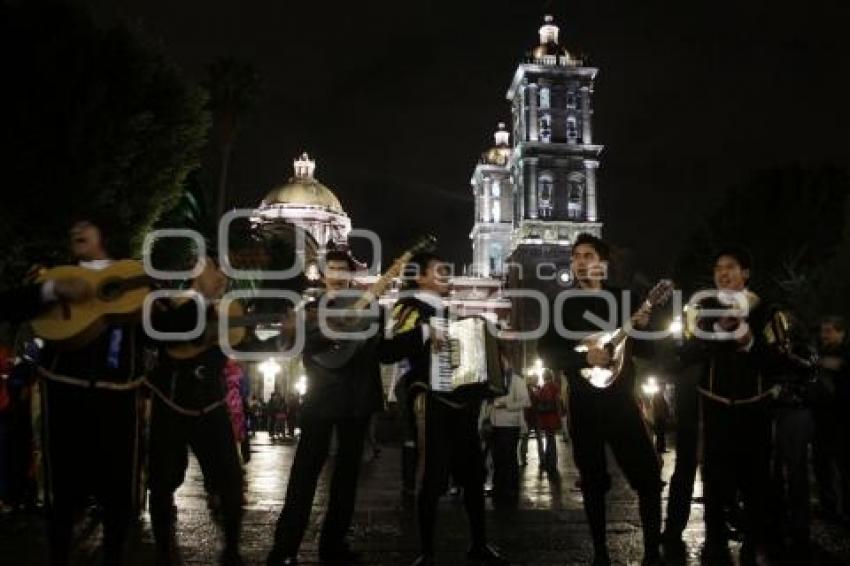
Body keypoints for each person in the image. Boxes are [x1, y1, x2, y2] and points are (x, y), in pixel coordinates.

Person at [266, 250, 424, 566]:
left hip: (359, 399)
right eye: (331, 268)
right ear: (322, 274)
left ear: (351, 274)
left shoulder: (374, 310)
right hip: (321, 399)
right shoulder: (310, 310)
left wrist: (420, 335)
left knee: (347, 478)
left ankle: (334, 545)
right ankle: (285, 548)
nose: (337, 273)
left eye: (343, 268)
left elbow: (383, 352)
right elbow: (306, 344)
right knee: (304, 474)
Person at [537, 233, 662, 566]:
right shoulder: (561, 303)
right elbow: (547, 352)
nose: (581, 261)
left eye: (588, 255)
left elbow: (648, 351)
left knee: (648, 477)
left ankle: (653, 553)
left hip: (622, 402)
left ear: (603, 263)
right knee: (592, 482)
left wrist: (645, 328)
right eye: (576, 256)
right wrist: (583, 360)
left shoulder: (627, 299)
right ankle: (600, 554)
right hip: (583, 403)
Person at [36, 217, 147, 566]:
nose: (76, 230)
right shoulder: (57, 275)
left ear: (105, 234)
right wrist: (54, 291)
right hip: (64, 395)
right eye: (73, 227)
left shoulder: (134, 280)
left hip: (117, 397)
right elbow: (12, 302)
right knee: (63, 491)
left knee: (118, 492)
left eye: (86, 225)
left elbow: (166, 330)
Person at [390, 252, 507, 566]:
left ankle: (479, 544)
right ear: (420, 277)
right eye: (440, 269)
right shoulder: (409, 308)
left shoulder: (452, 314)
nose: (447, 274)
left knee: (473, 474)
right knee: (431, 475)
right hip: (431, 401)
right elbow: (388, 350)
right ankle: (426, 552)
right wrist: (426, 332)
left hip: (462, 404)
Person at [678, 246, 787, 565]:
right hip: (715, 407)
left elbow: (779, 360)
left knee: (756, 479)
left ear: (746, 273)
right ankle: (715, 543)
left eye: (730, 267)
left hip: (755, 407)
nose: (723, 273)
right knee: (714, 479)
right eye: (717, 269)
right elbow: (687, 352)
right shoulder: (702, 309)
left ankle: (754, 544)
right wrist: (717, 331)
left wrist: (750, 343)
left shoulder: (768, 311)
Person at [146, 255, 246, 566]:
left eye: (227, 276)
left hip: (210, 403)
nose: (224, 279)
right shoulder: (166, 304)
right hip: (170, 402)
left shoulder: (228, 311)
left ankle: (231, 549)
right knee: (162, 481)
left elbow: (239, 338)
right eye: (217, 270)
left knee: (230, 479)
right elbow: (168, 332)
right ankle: (164, 550)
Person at [813, 316, 850, 522]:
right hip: (822, 418)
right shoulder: (821, 352)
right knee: (822, 464)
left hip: (842, 418)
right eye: (823, 331)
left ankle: (844, 508)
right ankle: (829, 506)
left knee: (843, 465)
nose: (824, 335)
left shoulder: (844, 353)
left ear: (841, 332)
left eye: (829, 331)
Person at [489, 353, 531, 504]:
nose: (499, 365)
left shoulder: (517, 380)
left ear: (508, 363)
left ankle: (511, 488)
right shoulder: (493, 381)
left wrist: (506, 405)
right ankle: (499, 487)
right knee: (498, 458)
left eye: (502, 361)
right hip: (496, 425)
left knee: (509, 458)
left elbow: (526, 401)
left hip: (510, 426)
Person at [532, 369, 562, 476]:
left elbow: (542, 401)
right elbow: (557, 402)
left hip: (546, 417)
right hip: (553, 416)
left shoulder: (545, 387)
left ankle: (550, 462)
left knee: (550, 440)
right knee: (551, 440)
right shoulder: (554, 386)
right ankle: (552, 462)